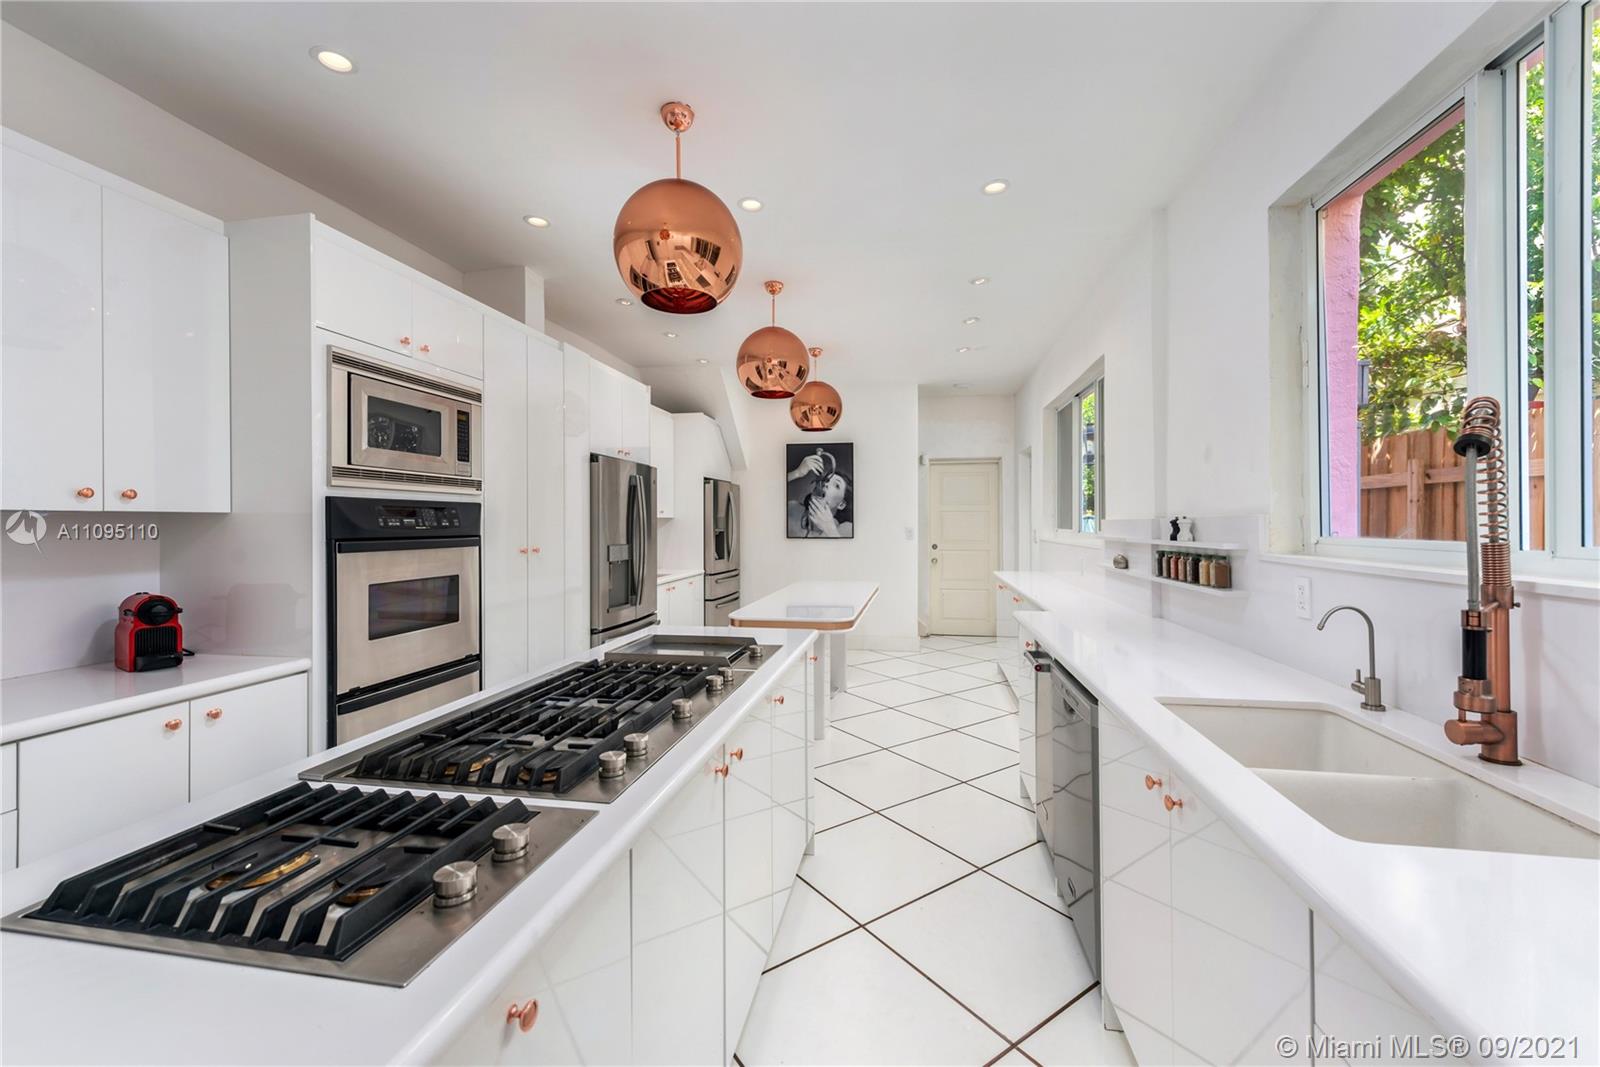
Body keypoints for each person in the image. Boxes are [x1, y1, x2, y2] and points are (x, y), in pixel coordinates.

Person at [787, 450, 852, 537]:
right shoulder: (792, 508)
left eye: (836, 485)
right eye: (826, 480)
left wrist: (830, 530)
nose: (826, 484)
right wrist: (797, 473)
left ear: (841, 504)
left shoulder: (847, 529)